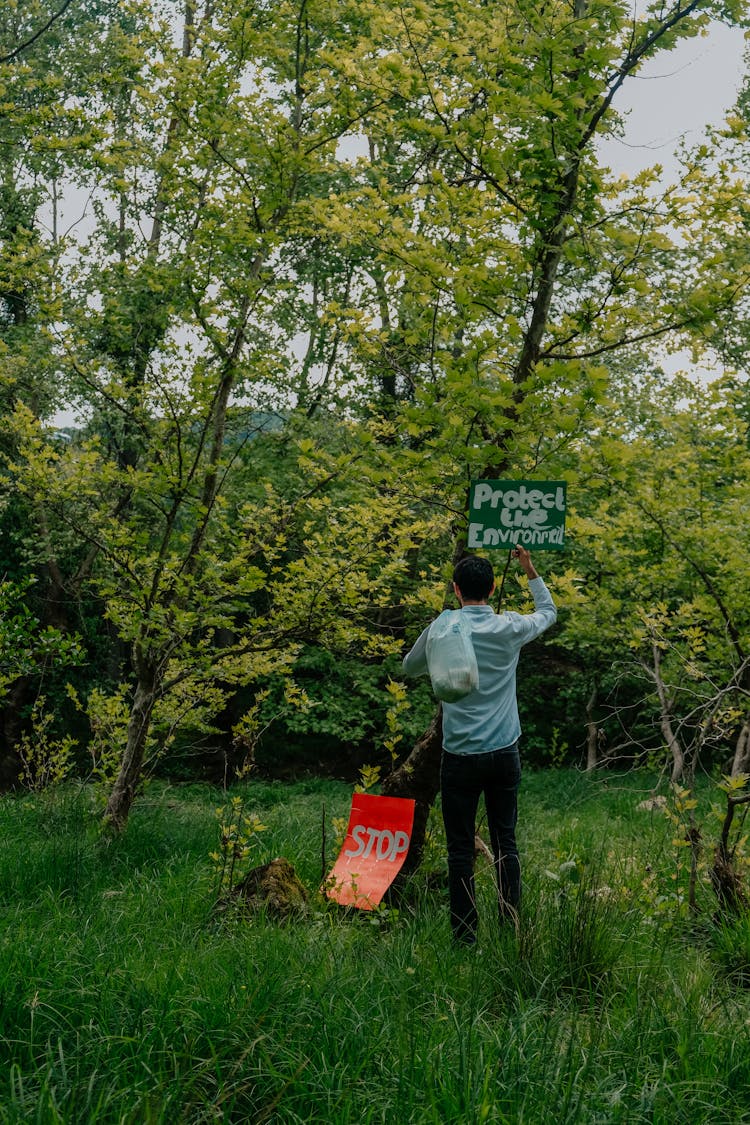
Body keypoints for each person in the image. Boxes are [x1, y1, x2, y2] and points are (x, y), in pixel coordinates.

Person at [402, 548, 556, 944]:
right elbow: (549, 612)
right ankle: (510, 927)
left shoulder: (443, 627)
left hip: (460, 757)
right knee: (506, 840)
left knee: (458, 850)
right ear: (492, 588)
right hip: (505, 752)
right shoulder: (509, 628)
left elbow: (409, 667)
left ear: (456, 589)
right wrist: (528, 567)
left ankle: (465, 937)